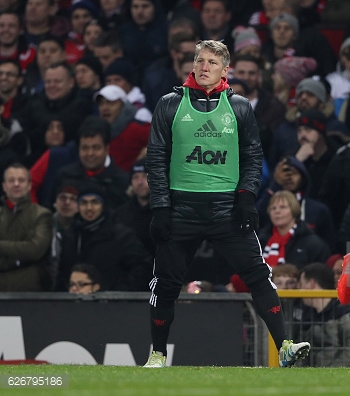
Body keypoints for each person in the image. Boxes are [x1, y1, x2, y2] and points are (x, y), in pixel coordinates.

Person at [143, 39, 310, 368]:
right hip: (181, 208)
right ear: (193, 65)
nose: (204, 67)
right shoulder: (169, 104)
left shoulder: (239, 107)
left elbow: (252, 158)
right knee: (165, 283)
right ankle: (158, 354)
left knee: (259, 276)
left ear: (224, 69)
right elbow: (156, 159)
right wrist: (160, 207)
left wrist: (247, 197)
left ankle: (285, 347)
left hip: (226, 210)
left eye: (212, 63)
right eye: (200, 61)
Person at [56, 186, 152, 292]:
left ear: (103, 205)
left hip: (112, 304)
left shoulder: (121, 235)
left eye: (95, 202)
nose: (89, 208)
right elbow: (63, 272)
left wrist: (119, 291)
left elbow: (142, 268)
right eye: (84, 203)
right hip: (75, 301)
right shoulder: (71, 235)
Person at [297, 262, 350, 367]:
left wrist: (327, 374)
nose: (298, 290)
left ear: (312, 284)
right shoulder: (309, 315)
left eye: (301, 285)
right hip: (318, 376)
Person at [0, 163, 52, 291]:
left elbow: (35, 249)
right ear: (4, 186)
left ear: (29, 185)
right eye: (11, 180)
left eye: (21, 180)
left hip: (29, 286)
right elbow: (28, 249)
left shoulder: (42, 214)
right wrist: (19, 255)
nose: (16, 184)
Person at [259, 190, 331, 269]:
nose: (277, 211)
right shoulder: (261, 241)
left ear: (294, 210)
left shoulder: (314, 244)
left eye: (282, 207)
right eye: (273, 208)